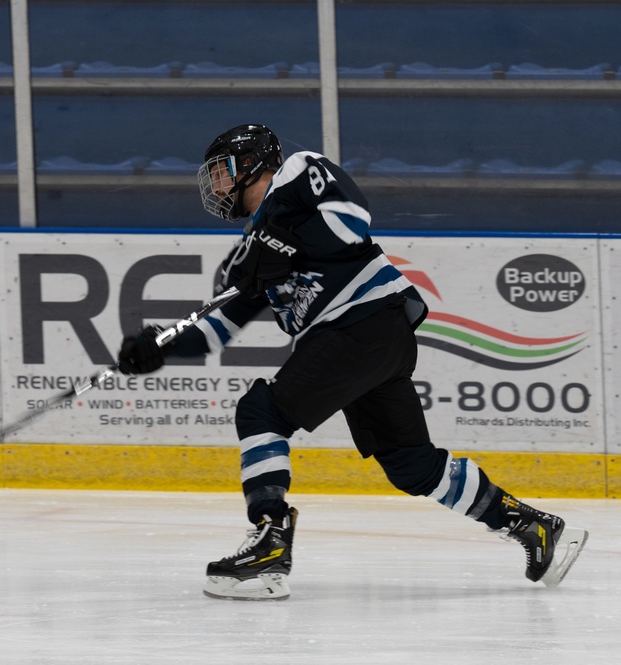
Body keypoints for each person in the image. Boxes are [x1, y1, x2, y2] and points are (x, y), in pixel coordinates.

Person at [115, 123, 588, 601]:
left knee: (262, 412)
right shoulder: (249, 253)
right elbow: (218, 326)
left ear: (253, 164)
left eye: (222, 172)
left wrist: (283, 241)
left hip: (363, 322)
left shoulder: (298, 173)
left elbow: (350, 220)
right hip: (366, 341)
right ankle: (532, 527)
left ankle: (270, 539)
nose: (216, 186)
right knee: (412, 466)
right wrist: (161, 346)